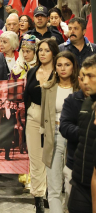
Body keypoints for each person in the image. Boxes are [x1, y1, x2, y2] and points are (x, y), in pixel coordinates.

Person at [39, 51, 79, 213]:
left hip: (74, 138)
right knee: (54, 185)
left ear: (73, 67)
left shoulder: (80, 89)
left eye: (67, 65)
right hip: (53, 136)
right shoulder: (48, 88)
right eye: (59, 65)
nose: (63, 69)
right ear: (55, 67)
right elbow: (43, 117)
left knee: (71, 182)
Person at [24, 38, 60, 213]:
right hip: (33, 116)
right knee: (36, 160)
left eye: (46, 50)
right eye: (40, 50)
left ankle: (51, 194)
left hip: (54, 118)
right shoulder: (32, 72)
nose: (42, 53)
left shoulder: (59, 72)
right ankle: (38, 198)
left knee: (52, 159)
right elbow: (26, 97)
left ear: (54, 52)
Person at [66, 54, 96, 213]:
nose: (84, 81)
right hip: (79, 181)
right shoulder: (87, 102)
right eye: (83, 76)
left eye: (90, 76)